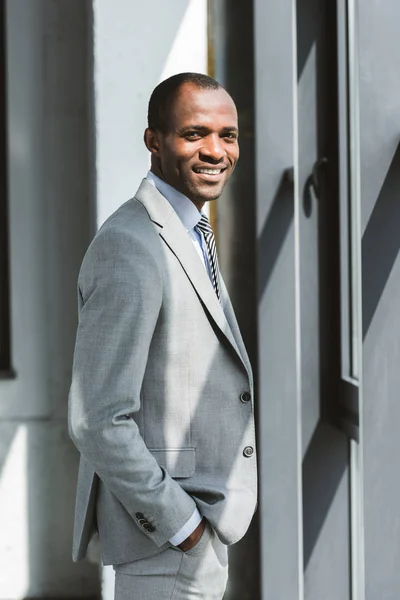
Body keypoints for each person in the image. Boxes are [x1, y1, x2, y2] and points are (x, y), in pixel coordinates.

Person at [68, 72, 257, 600]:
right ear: (154, 140)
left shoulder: (188, 229)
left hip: (198, 532)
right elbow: (97, 418)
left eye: (229, 135)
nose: (216, 150)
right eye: (195, 134)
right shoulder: (130, 245)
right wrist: (182, 527)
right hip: (167, 547)